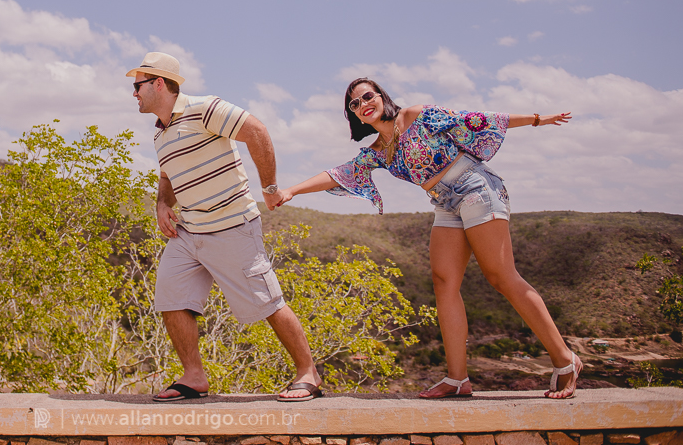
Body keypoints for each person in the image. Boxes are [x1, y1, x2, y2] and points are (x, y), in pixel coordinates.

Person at [267, 78, 582, 400]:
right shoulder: (379, 150)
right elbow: (340, 173)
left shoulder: (417, 115)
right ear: (356, 117)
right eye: (355, 104)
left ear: (381, 98)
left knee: (500, 275)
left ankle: (565, 359)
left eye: (367, 96)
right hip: (444, 202)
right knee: (444, 282)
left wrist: (536, 119)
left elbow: (475, 119)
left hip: (474, 187)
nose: (363, 103)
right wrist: (290, 190)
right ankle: (457, 379)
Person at [128, 51, 323, 403]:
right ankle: (194, 377)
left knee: (268, 301)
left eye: (137, 85)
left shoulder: (205, 108)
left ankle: (308, 373)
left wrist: (270, 188)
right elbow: (167, 174)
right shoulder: (160, 134)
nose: (133, 93)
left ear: (158, 83)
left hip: (232, 226)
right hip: (189, 231)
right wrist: (161, 204)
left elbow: (256, 131)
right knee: (171, 297)